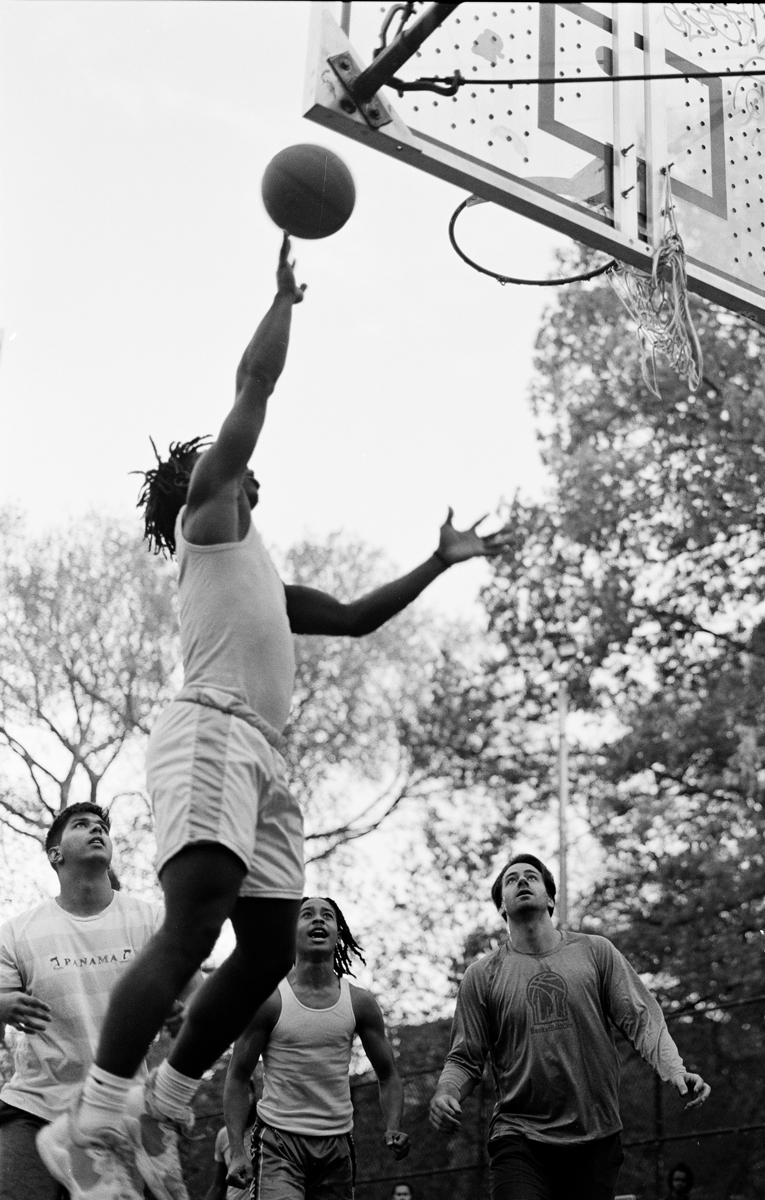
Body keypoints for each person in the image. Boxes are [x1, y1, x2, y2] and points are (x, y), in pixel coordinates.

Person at [38, 236, 510, 1200]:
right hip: (209, 730)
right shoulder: (206, 518)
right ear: (203, 481)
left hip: (266, 756)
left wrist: (438, 560)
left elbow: (352, 617)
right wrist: (284, 301)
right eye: (241, 468)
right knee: (196, 914)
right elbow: (252, 383)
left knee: (262, 944)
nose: (258, 478)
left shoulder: (259, 567)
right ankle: (96, 1118)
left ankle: (167, 1107)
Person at [428, 853, 711, 1200]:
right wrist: (446, 1092)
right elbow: (465, 1057)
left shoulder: (595, 952)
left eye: (531, 876)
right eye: (511, 879)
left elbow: (642, 1019)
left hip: (596, 1135)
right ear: (502, 905)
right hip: (520, 1137)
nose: (521, 881)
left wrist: (674, 1069)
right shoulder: (482, 976)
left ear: (549, 898)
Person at [0, 804, 163, 1200]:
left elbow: (192, 994)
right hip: (33, 1107)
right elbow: (1, 998)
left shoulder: (150, 921)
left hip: (116, 1113)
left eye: (102, 826)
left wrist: (180, 1009)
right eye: (82, 825)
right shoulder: (16, 932)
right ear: (55, 854)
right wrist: (1, 1006)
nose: (97, 830)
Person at [223, 896, 410, 1199]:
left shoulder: (360, 1003)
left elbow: (388, 1075)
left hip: (337, 1144)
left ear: (338, 932)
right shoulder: (268, 999)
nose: (318, 920)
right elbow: (237, 1077)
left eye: (327, 916)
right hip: (278, 1142)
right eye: (306, 914)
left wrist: (393, 1126)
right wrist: (237, 1152)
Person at [204, 1081, 256, 1200]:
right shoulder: (224, 1135)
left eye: (247, 1092)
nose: (242, 1098)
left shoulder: (268, 1129)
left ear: (254, 1096)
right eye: (237, 1093)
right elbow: (219, 1185)